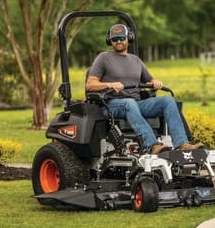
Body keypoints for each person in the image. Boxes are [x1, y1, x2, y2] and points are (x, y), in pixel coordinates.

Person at [86, 24, 203, 154]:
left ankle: (182, 144)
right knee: (129, 103)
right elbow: (90, 84)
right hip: (111, 105)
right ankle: (152, 145)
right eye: (115, 39)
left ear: (129, 38)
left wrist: (155, 82)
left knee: (167, 100)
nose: (118, 41)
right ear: (110, 41)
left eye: (121, 37)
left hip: (136, 104)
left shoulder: (136, 60)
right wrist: (109, 84)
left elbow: (150, 80)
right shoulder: (103, 58)